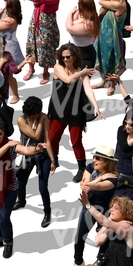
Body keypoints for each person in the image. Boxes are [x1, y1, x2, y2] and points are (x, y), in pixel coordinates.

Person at [0, 118, 46, 258]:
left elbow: (25, 149)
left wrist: (36, 149)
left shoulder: (11, 144)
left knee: (3, 218)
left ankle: (8, 242)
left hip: (9, 188)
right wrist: (7, 145)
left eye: (0, 134)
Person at [48, 43, 101, 183]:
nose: (65, 59)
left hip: (76, 112)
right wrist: (82, 73)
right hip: (58, 110)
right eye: (63, 57)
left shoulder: (80, 71)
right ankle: (54, 159)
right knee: (52, 138)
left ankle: (82, 167)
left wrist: (96, 105)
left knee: (76, 142)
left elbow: (88, 88)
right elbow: (67, 80)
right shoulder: (58, 67)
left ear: (74, 56)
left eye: (68, 57)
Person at [66, 145, 118, 266]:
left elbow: (95, 186)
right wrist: (100, 177)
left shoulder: (113, 179)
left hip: (104, 211)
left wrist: (92, 182)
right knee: (80, 236)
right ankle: (78, 262)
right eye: (94, 157)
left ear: (107, 161)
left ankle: (102, 262)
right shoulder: (91, 167)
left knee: (104, 239)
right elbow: (83, 185)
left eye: (98, 158)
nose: (94, 160)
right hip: (88, 206)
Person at [13, 96, 56, 228]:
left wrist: (53, 160)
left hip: (43, 156)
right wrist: (42, 120)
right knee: (21, 180)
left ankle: (47, 212)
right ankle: (21, 200)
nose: (41, 113)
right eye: (39, 112)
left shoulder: (42, 117)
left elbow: (47, 140)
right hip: (28, 154)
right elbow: (36, 136)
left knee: (43, 187)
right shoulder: (21, 120)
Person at [0, 0, 35, 104]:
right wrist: (1, 16)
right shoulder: (6, 14)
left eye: (6, 1)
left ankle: (15, 95)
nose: (4, 2)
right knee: (1, 70)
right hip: (2, 45)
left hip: (9, 47)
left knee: (9, 73)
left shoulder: (12, 20)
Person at [24, 0, 60, 85]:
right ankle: (31, 68)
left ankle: (45, 71)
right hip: (35, 21)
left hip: (47, 24)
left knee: (45, 46)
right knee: (31, 43)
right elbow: (36, 2)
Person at [0, 33, 34, 103]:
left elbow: (14, 70)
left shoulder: (7, 54)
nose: (3, 46)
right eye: (0, 44)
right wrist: (2, 62)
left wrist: (23, 63)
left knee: (2, 112)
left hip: (2, 91)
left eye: (3, 43)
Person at [93, 0, 127, 96]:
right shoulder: (116, 1)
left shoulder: (119, 4)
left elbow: (100, 1)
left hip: (113, 39)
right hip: (104, 37)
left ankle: (111, 84)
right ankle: (103, 81)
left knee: (111, 60)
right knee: (103, 59)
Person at [66, 0, 101, 69]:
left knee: (84, 78)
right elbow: (69, 27)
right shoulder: (81, 15)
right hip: (72, 50)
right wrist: (80, 20)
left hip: (84, 53)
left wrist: (70, 14)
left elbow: (70, 27)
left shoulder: (91, 23)